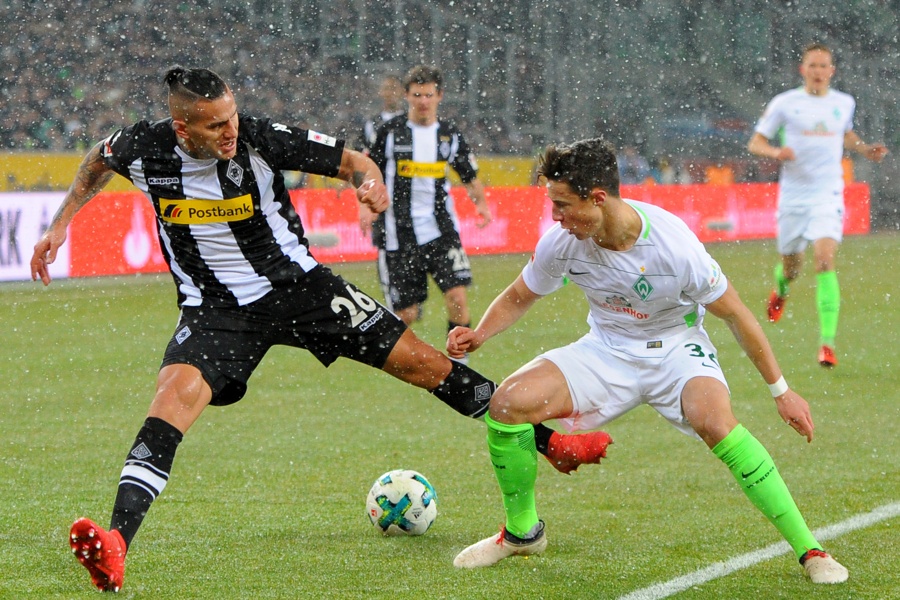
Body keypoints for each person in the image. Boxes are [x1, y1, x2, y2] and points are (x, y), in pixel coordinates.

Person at [31, 67, 611, 593]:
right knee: (168, 404)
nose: (230, 132)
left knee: (425, 365)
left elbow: (354, 160)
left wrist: (369, 183)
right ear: (181, 126)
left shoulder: (258, 137)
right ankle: (116, 544)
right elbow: (96, 163)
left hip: (303, 290)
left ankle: (551, 444)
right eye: (214, 126)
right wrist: (60, 226)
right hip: (215, 311)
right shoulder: (142, 146)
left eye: (232, 117)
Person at [447, 138, 848, 585]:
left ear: (597, 198)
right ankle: (522, 533)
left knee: (714, 421)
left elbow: (735, 314)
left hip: (676, 349)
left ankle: (810, 549)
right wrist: (479, 333)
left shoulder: (675, 247)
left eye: (562, 205)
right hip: (607, 351)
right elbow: (520, 295)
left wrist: (782, 391)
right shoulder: (562, 243)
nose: (555, 217)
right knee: (506, 405)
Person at [748, 42, 888, 367]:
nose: (818, 72)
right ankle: (781, 288)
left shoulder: (843, 103)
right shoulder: (785, 103)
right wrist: (775, 153)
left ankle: (827, 344)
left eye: (824, 66)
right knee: (793, 267)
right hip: (794, 198)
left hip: (828, 194)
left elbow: (846, 135)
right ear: (803, 70)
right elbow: (756, 142)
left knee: (824, 261)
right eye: (812, 65)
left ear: (832, 71)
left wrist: (864, 149)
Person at [367, 65, 492, 340]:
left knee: (458, 298)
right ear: (406, 96)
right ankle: (401, 365)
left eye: (428, 95)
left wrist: (481, 205)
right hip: (398, 233)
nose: (423, 101)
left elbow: (469, 175)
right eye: (417, 95)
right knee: (407, 314)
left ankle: (461, 367)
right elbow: (367, 170)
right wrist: (365, 207)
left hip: (441, 229)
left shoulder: (449, 134)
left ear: (439, 96)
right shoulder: (389, 132)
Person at [354, 74, 405, 155]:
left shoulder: (409, 121)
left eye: (393, 88)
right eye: (386, 89)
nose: (390, 93)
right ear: (380, 92)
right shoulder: (371, 124)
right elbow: (362, 150)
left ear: (403, 91)